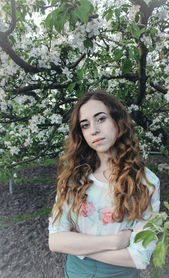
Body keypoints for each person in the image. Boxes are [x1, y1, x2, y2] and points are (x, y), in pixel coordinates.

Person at [48, 90, 160, 278]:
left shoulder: (146, 182)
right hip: (77, 273)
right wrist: (115, 242)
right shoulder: (74, 179)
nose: (94, 130)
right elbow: (56, 241)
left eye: (101, 119)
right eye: (85, 125)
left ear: (118, 121)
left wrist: (77, 246)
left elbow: (139, 257)